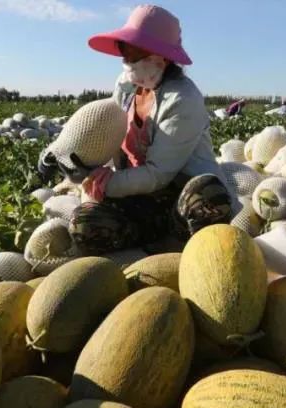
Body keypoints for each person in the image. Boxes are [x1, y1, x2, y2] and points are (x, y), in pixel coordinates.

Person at [46, 5, 236, 254]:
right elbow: (104, 128)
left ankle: (179, 235)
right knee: (85, 225)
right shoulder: (126, 85)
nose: (127, 60)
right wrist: (64, 156)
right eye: (125, 51)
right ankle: (154, 236)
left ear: (162, 56)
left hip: (178, 193)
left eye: (135, 52)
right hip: (139, 196)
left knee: (208, 195)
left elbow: (159, 174)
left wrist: (107, 183)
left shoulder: (183, 99)